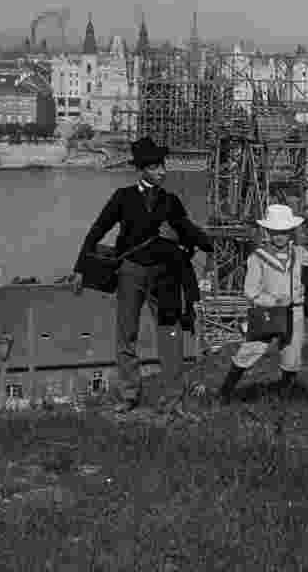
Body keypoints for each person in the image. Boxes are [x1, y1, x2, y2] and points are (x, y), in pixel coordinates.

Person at [71, 136, 211, 413]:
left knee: (169, 333)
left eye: (163, 166)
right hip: (130, 272)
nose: (164, 171)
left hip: (164, 275)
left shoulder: (171, 201)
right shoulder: (122, 197)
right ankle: (128, 395)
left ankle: (173, 397)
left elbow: (187, 230)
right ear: (145, 168)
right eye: (158, 167)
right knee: (126, 334)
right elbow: (97, 231)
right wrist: (80, 268)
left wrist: (211, 245)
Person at [218, 204, 308, 404]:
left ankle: (283, 397)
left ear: (291, 232)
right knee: (250, 350)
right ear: (267, 232)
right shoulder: (257, 258)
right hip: (267, 312)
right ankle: (224, 393)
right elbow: (250, 291)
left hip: (295, 312)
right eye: (275, 232)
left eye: (284, 232)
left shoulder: (300, 253)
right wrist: (272, 300)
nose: (279, 236)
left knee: (292, 356)